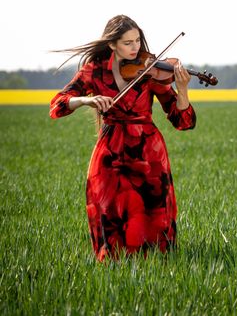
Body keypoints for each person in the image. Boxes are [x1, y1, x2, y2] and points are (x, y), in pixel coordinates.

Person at [49, 15, 196, 261]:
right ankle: (114, 266)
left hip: (147, 148)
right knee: (108, 208)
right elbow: (58, 106)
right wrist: (87, 100)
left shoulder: (151, 70)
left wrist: (182, 90)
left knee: (154, 208)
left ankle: (159, 266)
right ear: (112, 45)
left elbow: (183, 121)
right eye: (128, 43)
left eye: (138, 40)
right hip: (110, 149)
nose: (136, 47)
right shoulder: (93, 71)